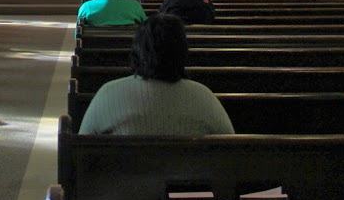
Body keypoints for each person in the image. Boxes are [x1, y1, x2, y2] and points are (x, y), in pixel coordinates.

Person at [79, 14, 234, 135]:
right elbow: (231, 147)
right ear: (183, 52)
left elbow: (81, 146)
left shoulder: (109, 94)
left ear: (138, 50)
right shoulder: (204, 96)